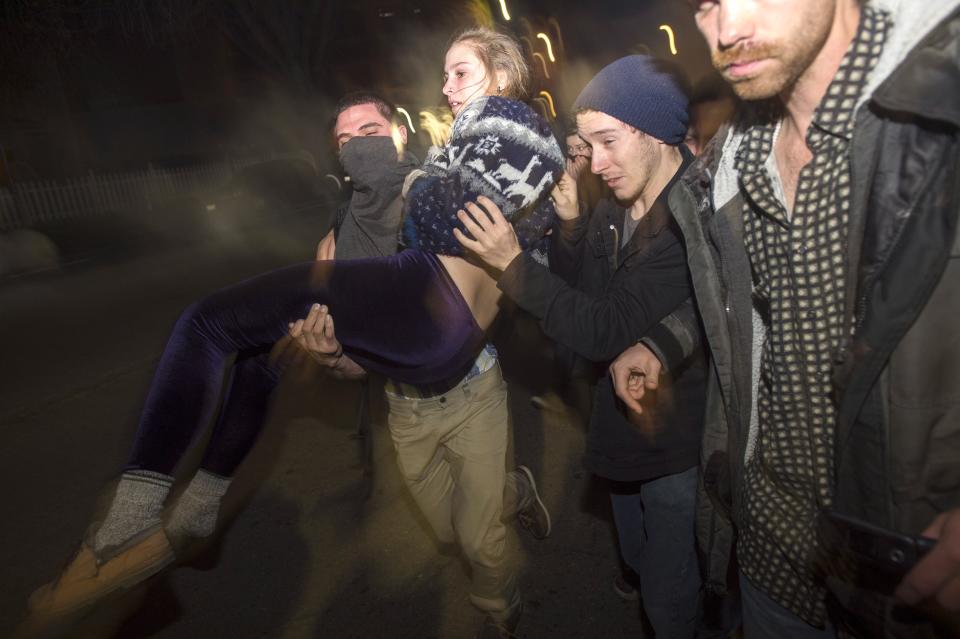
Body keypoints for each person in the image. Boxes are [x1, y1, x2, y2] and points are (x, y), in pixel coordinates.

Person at [27, 27, 563, 636]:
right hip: (410, 398)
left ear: (401, 134)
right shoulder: (340, 241)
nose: (359, 147)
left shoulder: (452, 164)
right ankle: (198, 508)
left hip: (473, 383)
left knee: (204, 323)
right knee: (264, 357)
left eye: (371, 133)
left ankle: (498, 604)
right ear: (335, 158)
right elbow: (360, 361)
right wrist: (332, 353)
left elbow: (497, 229)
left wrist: (431, 192)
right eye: (345, 141)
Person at [610, 0, 960, 636]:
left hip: (907, 573)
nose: (728, 29)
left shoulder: (943, 104)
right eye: (706, 4)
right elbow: (743, 298)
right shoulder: (729, 170)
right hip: (771, 558)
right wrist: (665, 342)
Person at [454, 55, 708, 639]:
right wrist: (570, 225)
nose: (596, 161)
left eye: (608, 141)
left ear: (654, 134)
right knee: (641, 559)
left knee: (671, 601)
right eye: (588, 145)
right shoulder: (617, 202)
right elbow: (578, 294)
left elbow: (604, 328)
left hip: (676, 440)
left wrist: (511, 264)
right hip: (617, 427)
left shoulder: (688, 219)